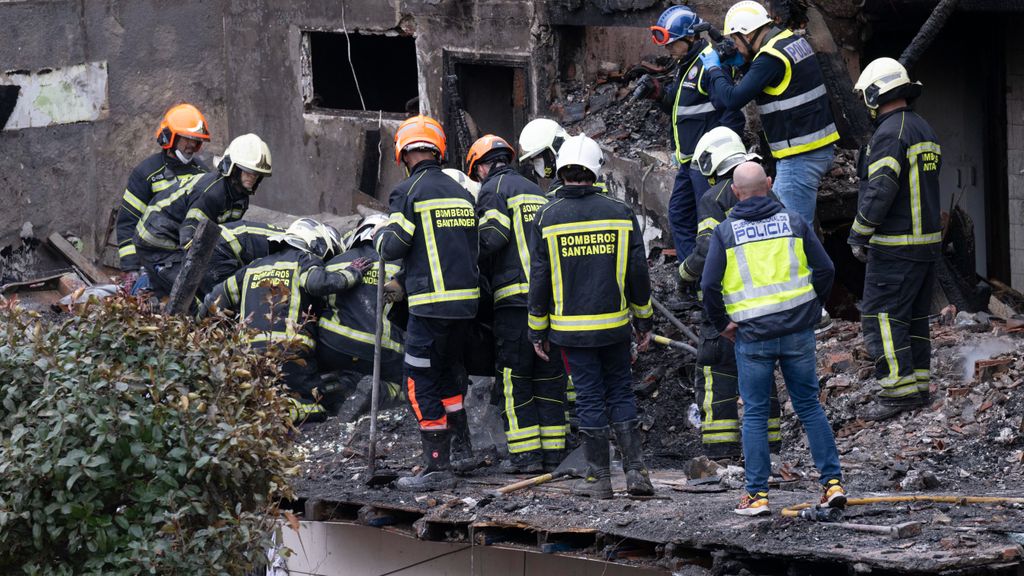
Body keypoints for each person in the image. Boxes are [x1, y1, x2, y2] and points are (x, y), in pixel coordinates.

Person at [701, 162, 845, 516]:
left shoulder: (725, 232)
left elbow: (707, 286)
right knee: (809, 406)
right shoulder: (794, 222)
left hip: (752, 336)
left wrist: (722, 324)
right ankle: (832, 484)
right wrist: (814, 309)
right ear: (769, 184)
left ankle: (757, 496)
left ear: (735, 193)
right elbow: (826, 269)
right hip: (797, 331)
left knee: (754, 413)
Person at [528, 134, 654, 498]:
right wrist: (643, 322)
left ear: (562, 169)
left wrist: (537, 330)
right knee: (620, 392)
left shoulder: (547, 217)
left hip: (571, 333)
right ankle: (637, 475)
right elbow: (638, 274)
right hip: (614, 328)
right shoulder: (620, 213)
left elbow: (540, 279)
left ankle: (599, 479)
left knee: (588, 398)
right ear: (596, 170)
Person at [375, 115, 480, 491]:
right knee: (449, 372)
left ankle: (437, 465)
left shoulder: (408, 191)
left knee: (419, 380)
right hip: (466, 304)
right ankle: (463, 450)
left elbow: (394, 246)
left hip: (431, 305)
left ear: (403, 152)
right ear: (438, 149)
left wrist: (380, 235)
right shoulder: (462, 192)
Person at [678, 127, 781, 459]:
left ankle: (721, 451)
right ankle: (770, 448)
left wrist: (684, 273)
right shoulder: (770, 195)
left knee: (716, 370)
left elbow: (706, 249)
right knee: (761, 372)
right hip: (767, 303)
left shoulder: (716, 197)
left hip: (728, 302)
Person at [469, 134, 568, 474]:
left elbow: (493, 237)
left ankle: (526, 456)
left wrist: (467, 257)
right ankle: (554, 453)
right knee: (550, 374)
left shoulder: (493, 190)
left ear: (482, 166)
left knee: (515, 376)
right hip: (549, 301)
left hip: (513, 301)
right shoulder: (536, 191)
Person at [848, 57, 941, 421]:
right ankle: (917, 386)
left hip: (897, 244)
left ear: (874, 93)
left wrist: (859, 231)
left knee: (881, 316)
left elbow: (881, 188)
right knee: (914, 318)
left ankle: (897, 391)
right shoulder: (923, 128)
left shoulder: (890, 134)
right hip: (926, 243)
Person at [204, 219, 370, 421]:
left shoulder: (251, 268)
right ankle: (287, 413)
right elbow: (317, 284)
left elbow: (214, 301)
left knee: (258, 396)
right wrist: (351, 274)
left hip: (247, 357)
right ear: (318, 244)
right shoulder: (305, 259)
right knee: (320, 404)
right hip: (289, 354)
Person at [700, 0, 838, 230]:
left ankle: (811, 267)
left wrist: (715, 69)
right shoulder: (789, 40)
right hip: (816, 146)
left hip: (799, 156)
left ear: (747, 33)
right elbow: (771, 79)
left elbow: (732, 99)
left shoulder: (770, 58)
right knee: (802, 227)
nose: (734, 45)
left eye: (734, 39)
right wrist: (743, 65)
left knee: (792, 233)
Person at [641, 5, 745, 263]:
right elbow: (680, 106)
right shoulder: (685, 64)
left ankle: (713, 282)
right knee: (678, 215)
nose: (668, 49)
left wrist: (724, 159)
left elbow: (731, 111)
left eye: (672, 43)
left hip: (707, 166)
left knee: (707, 223)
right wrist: (657, 95)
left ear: (691, 38)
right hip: (688, 162)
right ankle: (693, 279)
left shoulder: (708, 65)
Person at [134, 133, 272, 297]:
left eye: (256, 174)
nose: (252, 178)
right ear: (233, 169)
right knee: (190, 290)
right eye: (247, 172)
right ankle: (146, 284)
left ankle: (156, 283)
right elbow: (190, 237)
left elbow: (226, 234)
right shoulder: (212, 193)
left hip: (174, 236)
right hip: (157, 238)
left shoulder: (240, 198)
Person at [317, 214, 405, 416]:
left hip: (335, 346)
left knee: (342, 368)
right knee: (410, 384)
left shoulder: (334, 262)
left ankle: (334, 388)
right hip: (381, 349)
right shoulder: (400, 266)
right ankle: (381, 391)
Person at [116, 103, 211, 276]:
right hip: (153, 261)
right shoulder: (146, 173)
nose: (192, 144)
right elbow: (128, 223)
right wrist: (131, 268)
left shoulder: (204, 173)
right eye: (186, 138)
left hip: (190, 259)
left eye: (196, 140)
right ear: (170, 138)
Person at [199, 220, 285, 297]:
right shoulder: (292, 253)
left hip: (218, 244)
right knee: (223, 298)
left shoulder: (287, 243)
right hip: (218, 249)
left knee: (218, 298)